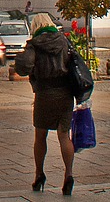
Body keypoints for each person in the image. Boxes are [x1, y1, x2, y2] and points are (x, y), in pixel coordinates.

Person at [14, 14, 76, 196]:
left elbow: (23, 67)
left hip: (44, 93)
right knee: (64, 136)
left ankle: (39, 174)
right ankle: (69, 175)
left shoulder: (35, 44)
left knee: (40, 136)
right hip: (65, 93)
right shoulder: (64, 41)